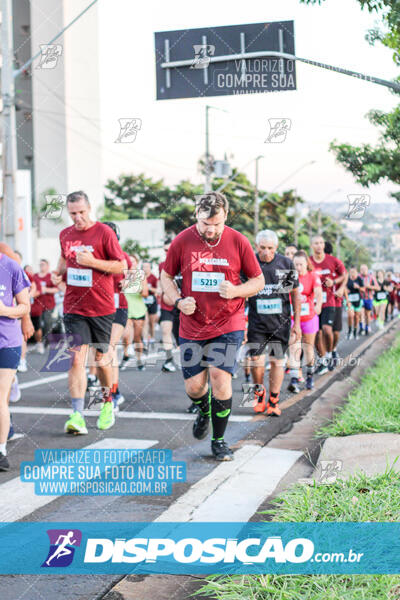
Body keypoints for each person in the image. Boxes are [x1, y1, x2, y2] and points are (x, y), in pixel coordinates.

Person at [160, 192, 264, 461]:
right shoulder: (182, 241)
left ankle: (219, 441)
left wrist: (238, 290)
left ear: (225, 216)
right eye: (206, 224)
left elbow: (258, 281)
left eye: (216, 224)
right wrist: (179, 300)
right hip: (192, 324)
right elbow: (166, 277)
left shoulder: (238, 241)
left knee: (220, 378)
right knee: (195, 388)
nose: (211, 230)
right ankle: (203, 410)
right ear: (196, 215)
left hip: (228, 323)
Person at [52, 191, 126, 434]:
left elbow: (120, 265)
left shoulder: (104, 232)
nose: (78, 218)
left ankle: (107, 403)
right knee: (75, 359)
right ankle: (77, 415)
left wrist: (92, 262)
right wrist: (58, 272)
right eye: (73, 213)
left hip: (102, 307)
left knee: (102, 359)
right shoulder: (65, 234)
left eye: (82, 212)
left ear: (89, 208)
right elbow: (63, 260)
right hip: (74, 306)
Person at [246, 230, 300, 411]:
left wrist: (297, 323)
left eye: (270, 248)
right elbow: (241, 294)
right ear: (256, 246)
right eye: (262, 248)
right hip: (257, 323)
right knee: (256, 361)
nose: (266, 252)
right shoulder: (249, 263)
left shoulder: (284, 264)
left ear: (276, 248)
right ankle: (259, 393)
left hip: (280, 323)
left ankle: (274, 401)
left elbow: (293, 294)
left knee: (277, 361)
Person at [0, 247, 30, 470]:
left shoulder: (10, 266)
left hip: (6, 342)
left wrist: (5, 310)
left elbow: (24, 306)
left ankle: (0, 451)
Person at [310, 236, 346, 373]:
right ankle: (322, 360)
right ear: (312, 246)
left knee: (327, 329)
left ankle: (331, 354)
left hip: (329, 301)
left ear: (324, 245)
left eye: (321, 243)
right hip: (313, 302)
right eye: (316, 243)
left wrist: (336, 282)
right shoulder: (309, 262)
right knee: (316, 333)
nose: (319, 246)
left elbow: (344, 274)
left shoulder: (333, 260)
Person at [287, 250, 322, 392]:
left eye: (301, 264)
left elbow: (319, 293)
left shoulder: (313, 276)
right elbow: (283, 295)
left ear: (307, 264)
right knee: (294, 347)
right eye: (295, 265)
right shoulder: (289, 277)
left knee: (308, 348)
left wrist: (318, 305)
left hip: (309, 318)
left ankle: (309, 378)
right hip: (293, 318)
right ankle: (294, 379)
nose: (298, 267)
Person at [122, 254, 148, 371]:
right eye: (129, 261)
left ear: (137, 263)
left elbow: (145, 293)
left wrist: (134, 287)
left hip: (138, 309)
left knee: (137, 338)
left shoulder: (141, 275)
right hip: (125, 308)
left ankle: (139, 359)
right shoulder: (123, 274)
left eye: (133, 261)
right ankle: (126, 354)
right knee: (126, 335)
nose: (131, 263)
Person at [324, 241, 348, 368]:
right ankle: (327, 355)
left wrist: (340, 289)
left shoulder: (335, 262)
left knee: (336, 330)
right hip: (322, 303)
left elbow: (346, 275)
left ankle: (333, 350)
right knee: (324, 330)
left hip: (336, 301)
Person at [158, 239, 178, 373]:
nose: (167, 252)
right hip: (166, 304)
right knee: (165, 330)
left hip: (181, 305)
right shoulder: (161, 265)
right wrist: (160, 291)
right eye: (165, 250)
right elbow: (161, 281)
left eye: (169, 249)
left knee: (181, 336)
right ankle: (169, 359)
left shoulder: (183, 262)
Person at [36, 259, 58, 344]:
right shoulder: (35, 276)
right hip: (37, 305)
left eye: (43, 264)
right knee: (37, 324)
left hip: (48, 305)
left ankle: (47, 342)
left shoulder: (50, 276)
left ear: (48, 266)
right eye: (40, 264)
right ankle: (38, 342)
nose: (41, 266)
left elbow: (56, 289)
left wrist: (45, 289)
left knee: (47, 323)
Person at [344, 267, 364, 339]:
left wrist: (358, 287)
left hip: (358, 300)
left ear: (357, 272)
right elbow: (343, 288)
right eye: (351, 272)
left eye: (354, 272)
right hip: (349, 300)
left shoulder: (359, 279)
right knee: (350, 315)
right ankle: (349, 331)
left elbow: (363, 290)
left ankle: (355, 331)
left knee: (356, 316)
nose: (352, 273)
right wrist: (345, 290)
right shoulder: (347, 279)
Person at [142, 261, 159, 350]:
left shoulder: (154, 278)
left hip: (152, 301)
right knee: (145, 321)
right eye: (144, 267)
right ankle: (145, 340)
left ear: (150, 268)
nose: (145, 269)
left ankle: (152, 337)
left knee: (151, 323)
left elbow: (158, 290)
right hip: (142, 301)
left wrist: (148, 288)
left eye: (147, 267)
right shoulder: (140, 277)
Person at [359, 264, 378, 336]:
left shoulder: (371, 277)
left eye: (364, 269)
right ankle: (361, 327)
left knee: (367, 314)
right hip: (360, 298)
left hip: (368, 298)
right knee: (361, 313)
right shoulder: (358, 277)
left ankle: (367, 326)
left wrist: (368, 286)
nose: (363, 271)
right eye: (361, 269)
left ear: (367, 270)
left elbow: (377, 288)